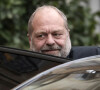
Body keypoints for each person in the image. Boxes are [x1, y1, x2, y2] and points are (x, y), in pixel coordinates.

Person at [27, 5, 100, 60]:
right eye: (41, 36)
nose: (50, 42)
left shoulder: (94, 57)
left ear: (68, 35)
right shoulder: (18, 70)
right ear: (30, 40)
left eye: (56, 34)